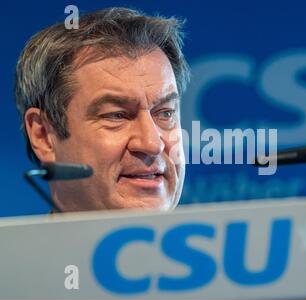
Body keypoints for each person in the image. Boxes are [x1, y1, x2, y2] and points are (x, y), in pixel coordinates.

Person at [14, 7, 190, 213]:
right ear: (43, 136)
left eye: (165, 113)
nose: (152, 144)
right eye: (117, 115)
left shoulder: (230, 245)